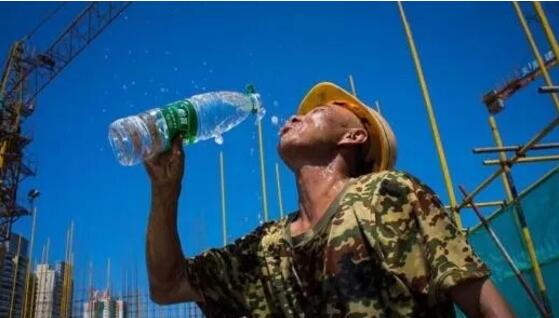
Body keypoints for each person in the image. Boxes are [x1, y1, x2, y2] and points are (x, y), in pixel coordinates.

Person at [145, 82, 514, 317]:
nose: (293, 117)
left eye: (318, 112)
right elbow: (167, 286)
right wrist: (165, 192)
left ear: (353, 137)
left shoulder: (389, 196)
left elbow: (483, 304)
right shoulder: (267, 248)